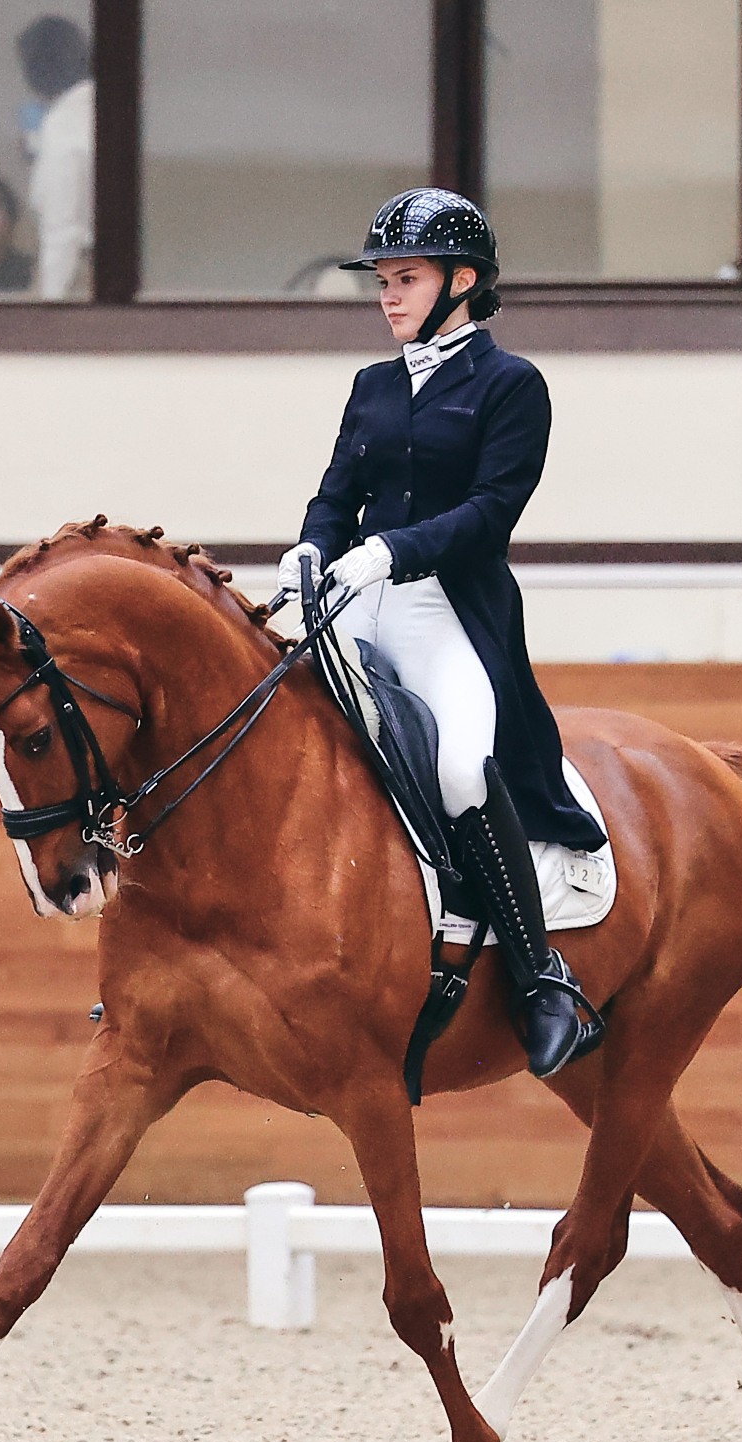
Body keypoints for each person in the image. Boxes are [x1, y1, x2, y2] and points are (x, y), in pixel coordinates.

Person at [280, 188, 607, 1079]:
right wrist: (311, 547)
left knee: (462, 766)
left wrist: (390, 550)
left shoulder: (511, 386)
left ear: (462, 281)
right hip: (353, 599)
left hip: (443, 610)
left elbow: (491, 511)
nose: (388, 297)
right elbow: (335, 489)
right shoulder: (373, 386)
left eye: (407, 279)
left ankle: (541, 975)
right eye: (383, 280)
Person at [16, 15, 90, 299]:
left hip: (73, 275)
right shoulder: (97, 110)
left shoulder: (65, 121)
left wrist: (50, 304)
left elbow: (63, 227)